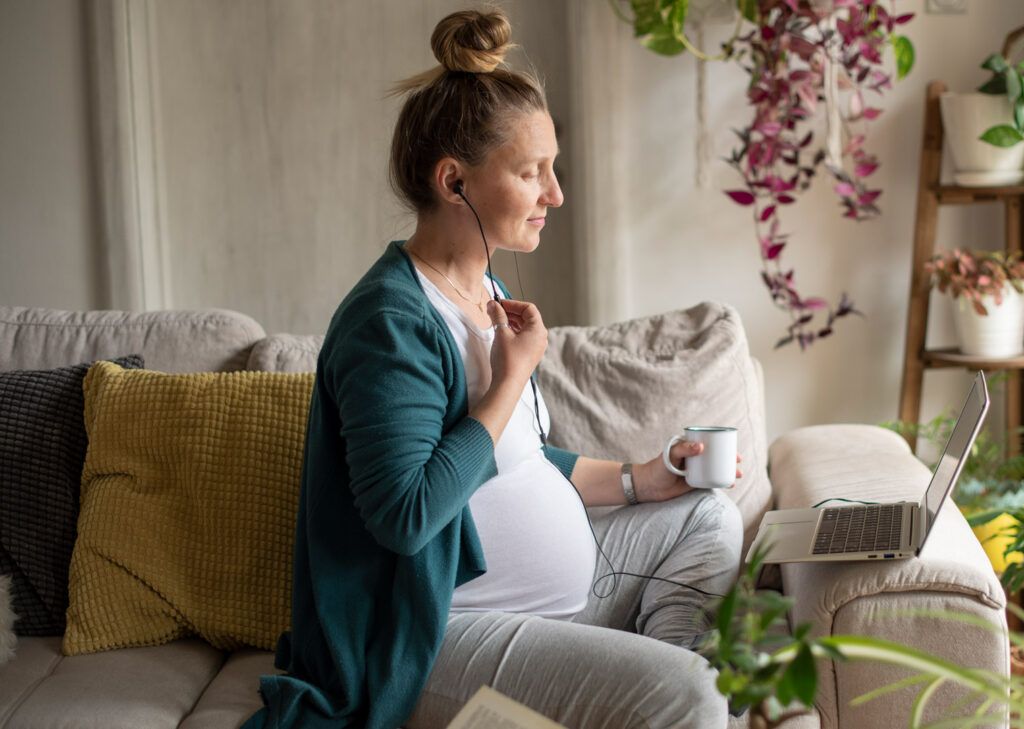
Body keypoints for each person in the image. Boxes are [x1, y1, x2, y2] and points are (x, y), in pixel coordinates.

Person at [241, 8, 745, 729]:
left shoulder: (488, 293)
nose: (556, 194)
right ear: (455, 182)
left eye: (553, 168)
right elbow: (406, 515)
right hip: (431, 636)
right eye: (531, 172)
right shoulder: (391, 323)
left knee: (707, 514)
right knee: (688, 691)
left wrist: (639, 477)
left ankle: (647, 692)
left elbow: (521, 456)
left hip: (540, 608)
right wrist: (511, 378)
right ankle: (670, 694)